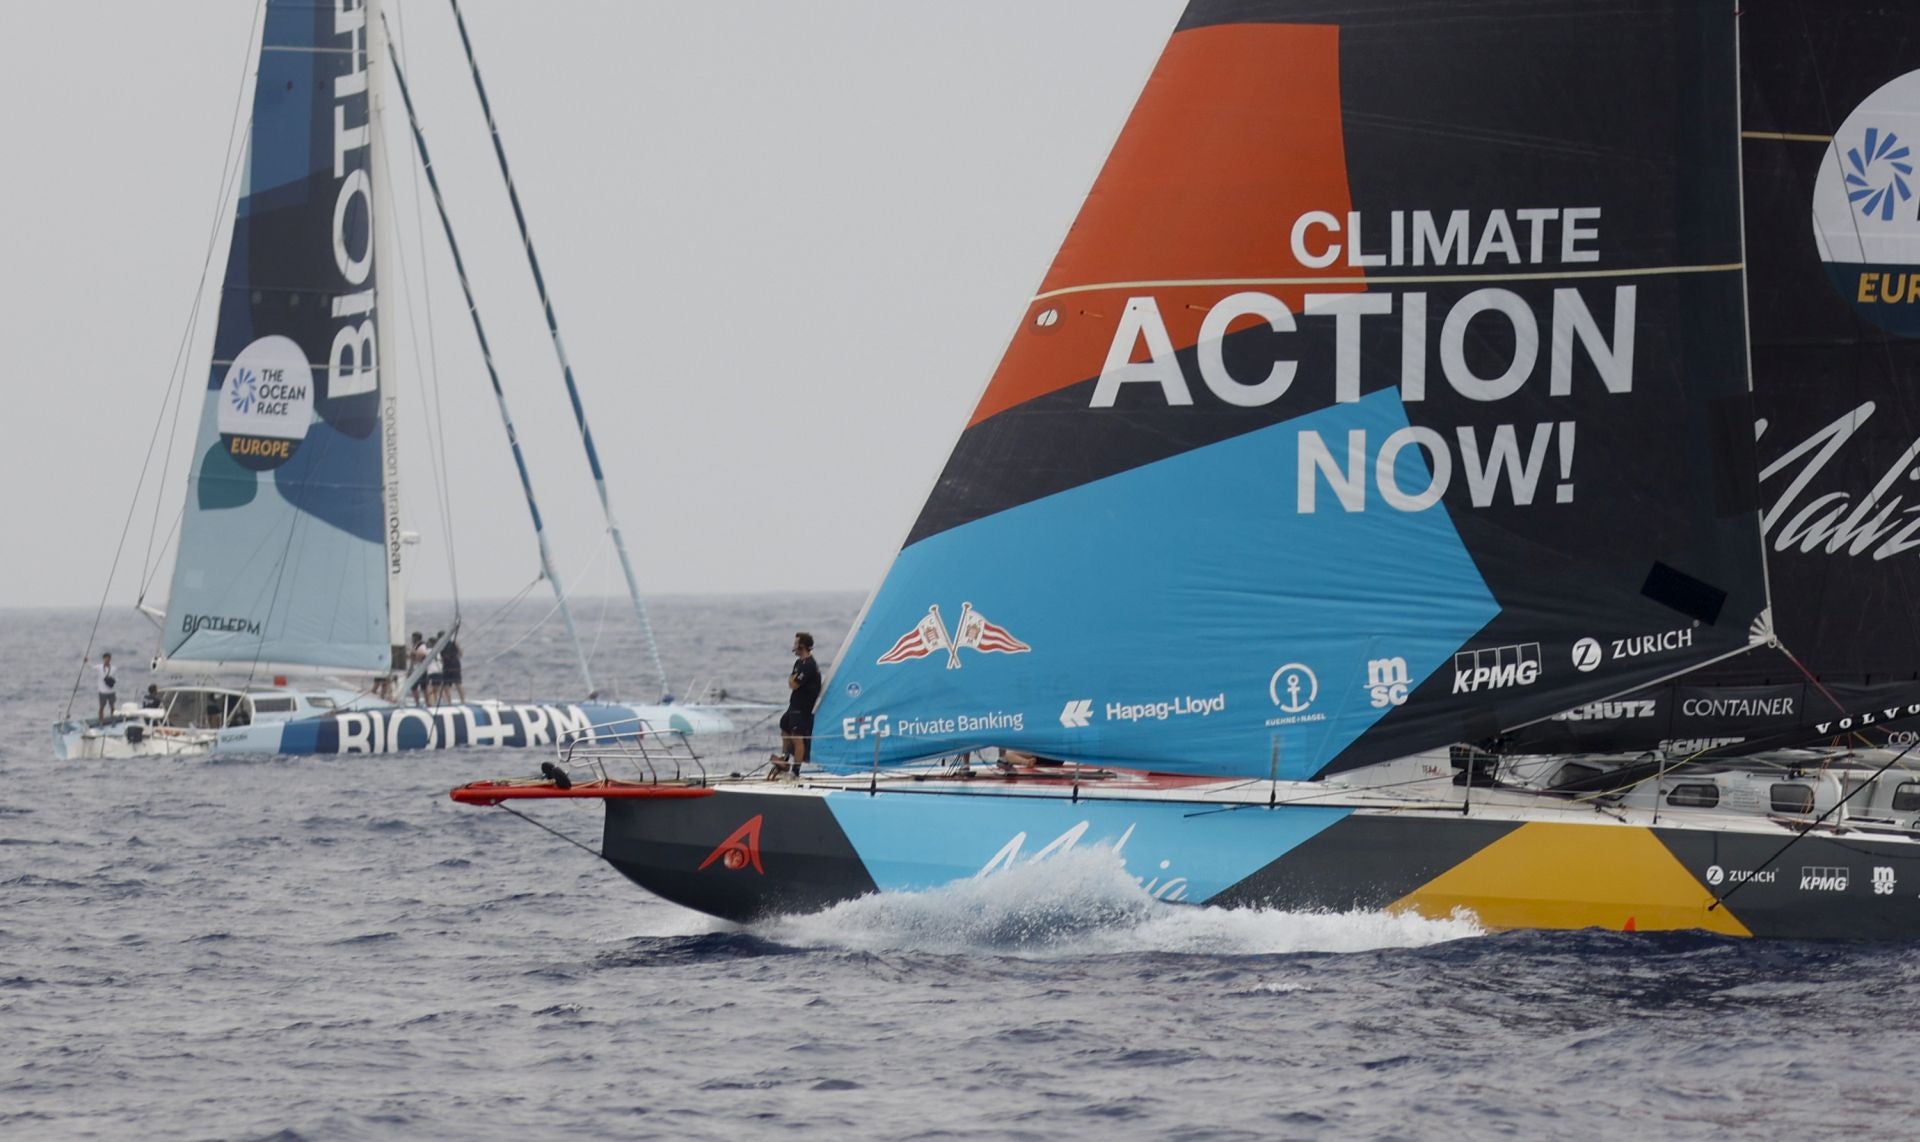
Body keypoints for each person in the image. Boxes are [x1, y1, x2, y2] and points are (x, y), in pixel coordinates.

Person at [773, 632, 821, 778]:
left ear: (802, 646)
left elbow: (793, 683)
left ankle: (795, 771)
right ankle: (785, 759)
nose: (793, 647)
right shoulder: (799, 663)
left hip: (802, 708)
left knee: (797, 737)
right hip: (794, 705)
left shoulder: (809, 665)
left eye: (796, 644)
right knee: (784, 727)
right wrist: (792, 680)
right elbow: (792, 681)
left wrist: (792, 680)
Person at [439, 637, 465, 704]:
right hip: (447, 665)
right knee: (447, 684)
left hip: (452, 664)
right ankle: (449, 701)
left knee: (457, 682)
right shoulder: (441, 645)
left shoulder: (453, 644)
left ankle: (462, 700)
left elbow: (460, 654)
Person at [92, 653, 117, 722]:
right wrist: (87, 661)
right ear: (103, 659)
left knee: (112, 706)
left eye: (108, 659)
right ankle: (101, 720)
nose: (107, 660)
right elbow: (91, 667)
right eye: (105, 659)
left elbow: (114, 679)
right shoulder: (99, 667)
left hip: (111, 691)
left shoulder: (114, 668)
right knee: (102, 707)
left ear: (110, 659)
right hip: (102, 691)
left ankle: (113, 719)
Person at [407, 632, 428, 705]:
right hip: (415, 669)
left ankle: (427, 702)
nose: (412, 639)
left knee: (423, 687)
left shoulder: (422, 645)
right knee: (414, 687)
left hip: (421, 669)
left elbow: (423, 654)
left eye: (413, 637)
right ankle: (417, 702)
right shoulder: (415, 646)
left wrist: (414, 653)